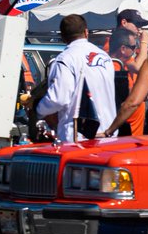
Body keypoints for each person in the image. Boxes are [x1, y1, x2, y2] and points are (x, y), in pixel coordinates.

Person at [36, 14, 117, 142]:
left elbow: (58, 99)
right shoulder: (105, 57)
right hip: (108, 133)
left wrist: (38, 110)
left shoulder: (65, 59)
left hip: (79, 138)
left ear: (62, 37)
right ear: (86, 32)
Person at [107, 8, 148, 75]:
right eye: (137, 24)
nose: (139, 29)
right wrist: (144, 42)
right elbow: (137, 68)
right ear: (124, 22)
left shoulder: (133, 43)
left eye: (141, 26)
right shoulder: (112, 43)